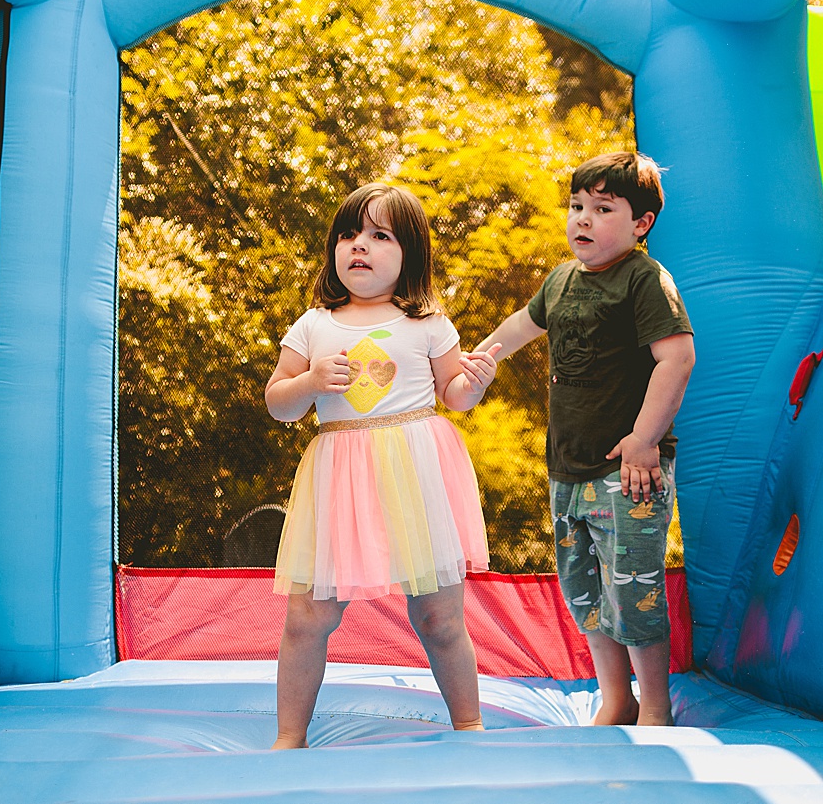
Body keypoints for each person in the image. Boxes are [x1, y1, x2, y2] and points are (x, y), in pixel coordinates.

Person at [265, 182, 501, 749]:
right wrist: (310, 381)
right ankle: (289, 736)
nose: (358, 247)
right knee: (308, 617)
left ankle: (468, 724)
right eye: (347, 235)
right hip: (340, 479)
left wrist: (476, 381)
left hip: (415, 475)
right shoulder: (314, 324)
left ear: (409, 254)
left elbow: (454, 396)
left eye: (378, 235)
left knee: (441, 618)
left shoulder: (427, 323)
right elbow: (279, 404)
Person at [473, 151, 694, 727]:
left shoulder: (644, 281)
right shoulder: (561, 280)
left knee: (635, 591)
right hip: (567, 469)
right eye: (576, 207)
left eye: (602, 208)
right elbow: (520, 327)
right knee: (584, 592)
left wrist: (645, 439)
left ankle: (657, 707)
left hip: (627, 470)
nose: (583, 220)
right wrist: (479, 361)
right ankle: (617, 700)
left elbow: (677, 358)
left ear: (640, 224)